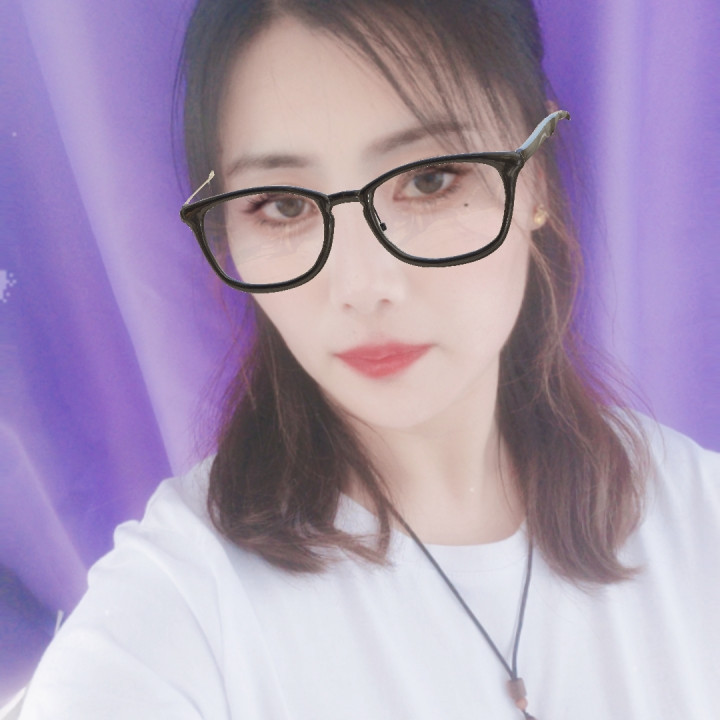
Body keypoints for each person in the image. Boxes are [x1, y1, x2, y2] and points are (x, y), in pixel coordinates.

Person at [18, 0, 720, 718]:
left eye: (430, 179)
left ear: (535, 176)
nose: (361, 286)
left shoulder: (696, 520)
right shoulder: (184, 605)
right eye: (283, 205)